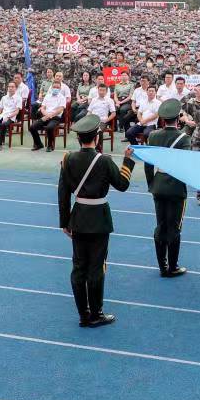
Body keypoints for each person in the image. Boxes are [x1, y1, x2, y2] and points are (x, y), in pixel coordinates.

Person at [57, 114, 137, 327]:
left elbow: (63, 193)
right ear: (97, 137)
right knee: (96, 267)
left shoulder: (68, 159)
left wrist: (65, 222)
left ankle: (83, 314)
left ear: (79, 138)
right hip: (99, 219)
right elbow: (122, 185)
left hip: (78, 218)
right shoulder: (104, 160)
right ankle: (96, 313)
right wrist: (128, 161)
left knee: (78, 267)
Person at [141, 99, 192, 277]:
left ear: (162, 118)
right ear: (178, 117)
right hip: (176, 186)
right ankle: (173, 266)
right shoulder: (184, 138)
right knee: (174, 227)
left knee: (161, 225)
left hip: (159, 184)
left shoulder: (153, 135)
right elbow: (186, 166)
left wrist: (151, 183)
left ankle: (162, 266)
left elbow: (148, 163)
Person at [31, 81, 68, 152]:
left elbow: (60, 110)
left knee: (49, 127)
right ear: (51, 88)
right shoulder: (47, 96)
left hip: (55, 118)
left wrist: (50, 115)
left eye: (57, 87)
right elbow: (42, 108)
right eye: (54, 87)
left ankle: (50, 145)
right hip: (45, 116)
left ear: (60, 88)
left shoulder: (62, 98)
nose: (56, 89)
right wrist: (46, 115)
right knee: (32, 127)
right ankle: (39, 144)